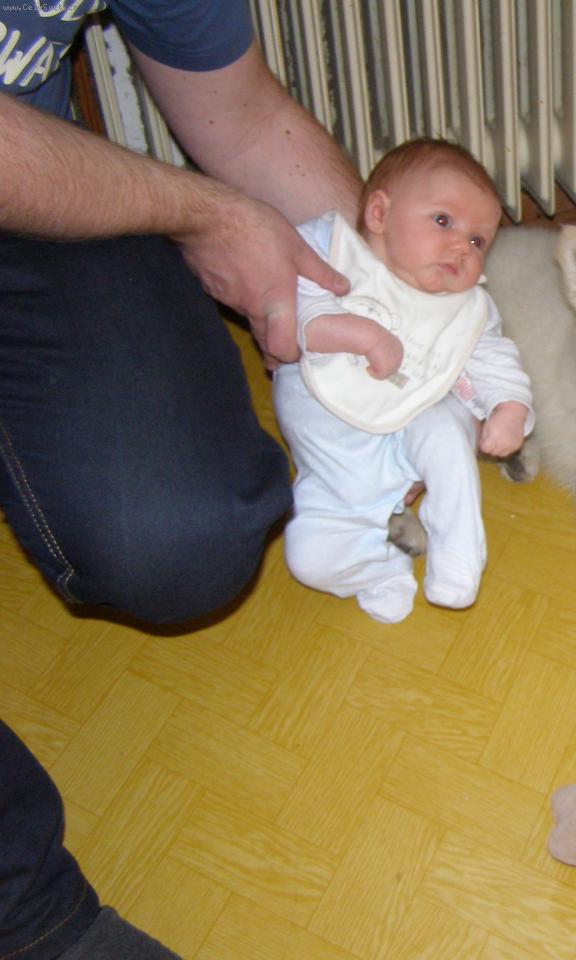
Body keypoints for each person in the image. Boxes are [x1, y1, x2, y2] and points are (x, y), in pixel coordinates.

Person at [1, 3, 364, 956]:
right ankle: (33, 924)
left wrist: (385, 290)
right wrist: (204, 212)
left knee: (180, 534)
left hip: (25, 200)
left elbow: (241, 115)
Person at [273, 139, 532, 622]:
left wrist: (511, 406)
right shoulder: (330, 248)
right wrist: (357, 334)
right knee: (309, 559)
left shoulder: (464, 306)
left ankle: (458, 552)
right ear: (379, 213)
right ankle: (378, 571)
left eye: (478, 242)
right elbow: (292, 294)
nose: (461, 246)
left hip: (412, 428)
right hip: (337, 463)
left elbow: (495, 358)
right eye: (443, 221)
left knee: (445, 432)